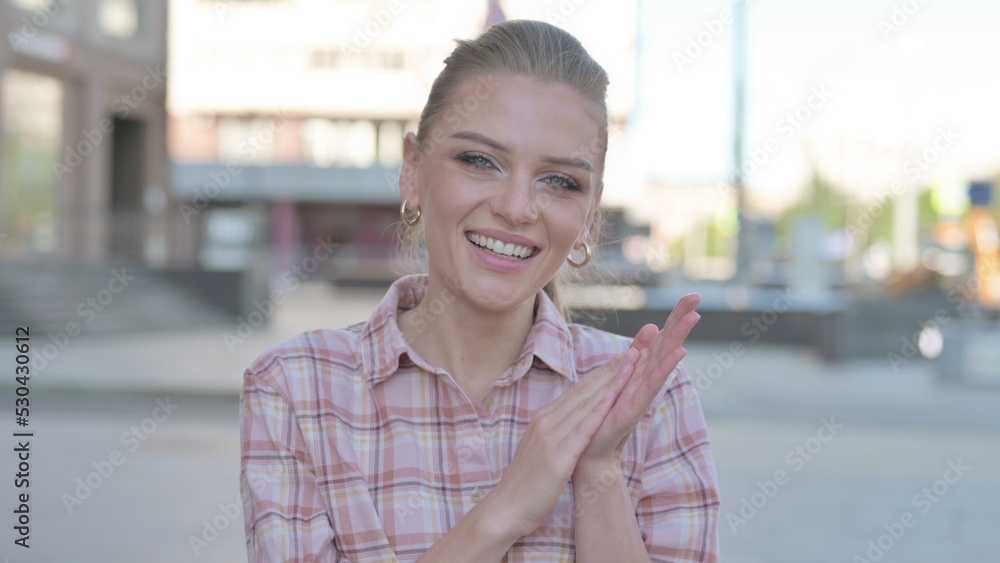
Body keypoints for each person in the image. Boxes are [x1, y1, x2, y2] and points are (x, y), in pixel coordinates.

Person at [241, 19, 720, 563]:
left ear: (589, 212)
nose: (517, 207)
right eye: (479, 161)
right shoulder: (295, 389)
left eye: (559, 181)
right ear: (413, 172)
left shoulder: (651, 397)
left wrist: (600, 473)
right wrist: (508, 507)